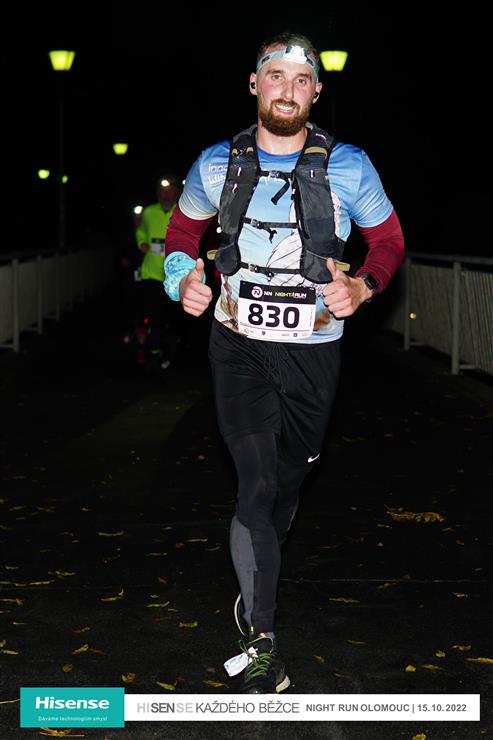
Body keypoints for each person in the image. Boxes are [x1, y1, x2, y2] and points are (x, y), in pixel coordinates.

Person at [164, 31, 404, 693]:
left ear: (316, 93)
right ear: (254, 84)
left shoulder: (349, 165)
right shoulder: (217, 163)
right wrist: (181, 278)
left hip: (313, 355)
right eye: (276, 77)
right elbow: (182, 231)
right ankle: (261, 637)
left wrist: (364, 287)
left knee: (286, 486)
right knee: (257, 484)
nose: (287, 91)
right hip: (237, 345)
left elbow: (387, 239)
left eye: (301, 81)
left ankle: (256, 573)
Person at [135, 174, 181, 369]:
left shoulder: (181, 212)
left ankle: (170, 353)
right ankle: (153, 352)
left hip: (175, 275)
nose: (166, 195)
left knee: (172, 318)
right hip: (151, 273)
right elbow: (141, 231)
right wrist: (142, 242)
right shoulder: (149, 212)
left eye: (169, 192)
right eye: (162, 192)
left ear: (176, 193)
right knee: (153, 316)